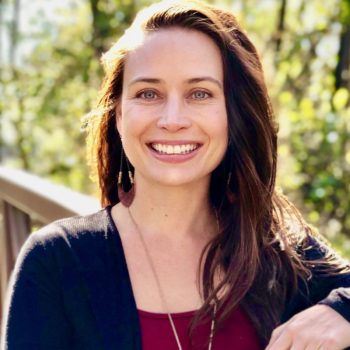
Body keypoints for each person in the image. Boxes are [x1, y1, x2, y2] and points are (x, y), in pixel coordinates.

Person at [1, 0, 350, 349]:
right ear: (120, 115)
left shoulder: (279, 251)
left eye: (200, 93)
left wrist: (342, 310)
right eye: (148, 93)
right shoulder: (56, 262)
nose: (172, 119)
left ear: (233, 114)